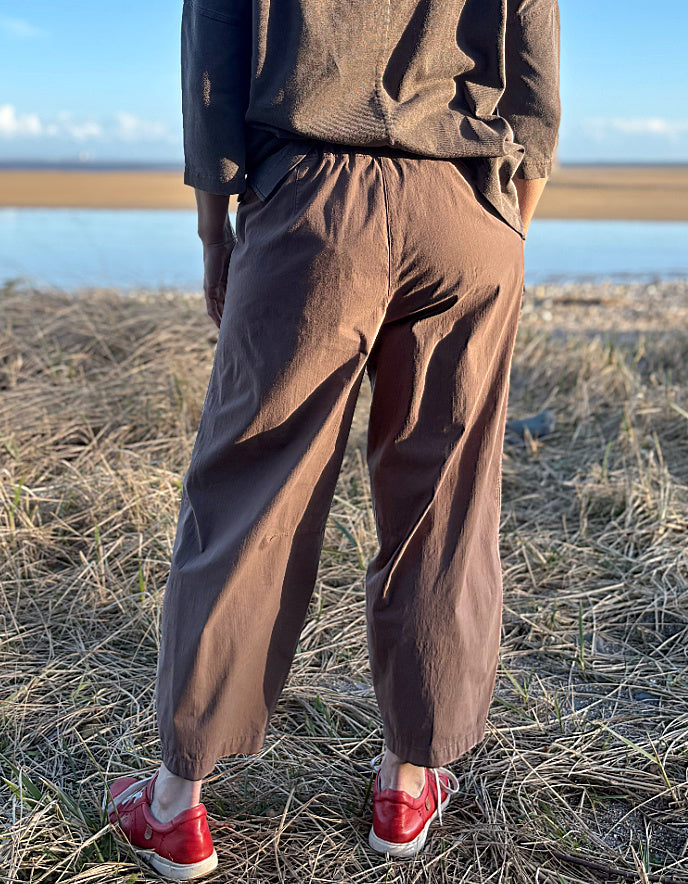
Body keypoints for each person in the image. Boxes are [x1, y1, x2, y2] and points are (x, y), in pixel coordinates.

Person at [106, 0, 560, 877]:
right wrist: (510, 226)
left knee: (250, 492)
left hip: (309, 203)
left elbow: (213, 71)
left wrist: (214, 234)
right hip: (467, 206)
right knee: (445, 500)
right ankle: (408, 784)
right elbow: (535, 78)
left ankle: (175, 804)